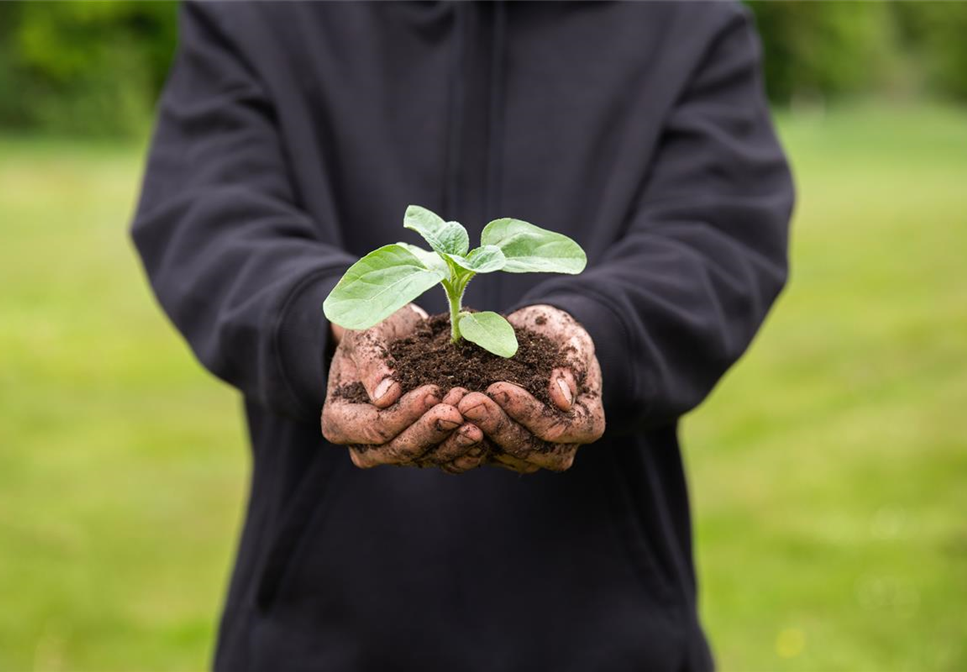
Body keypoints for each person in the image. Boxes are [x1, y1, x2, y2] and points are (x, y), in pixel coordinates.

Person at [131, 1, 793, 670]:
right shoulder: (255, 14)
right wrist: (319, 315)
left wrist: (603, 331)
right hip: (319, 629)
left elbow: (718, 232)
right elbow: (205, 212)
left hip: (605, 631)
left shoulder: (684, 19)